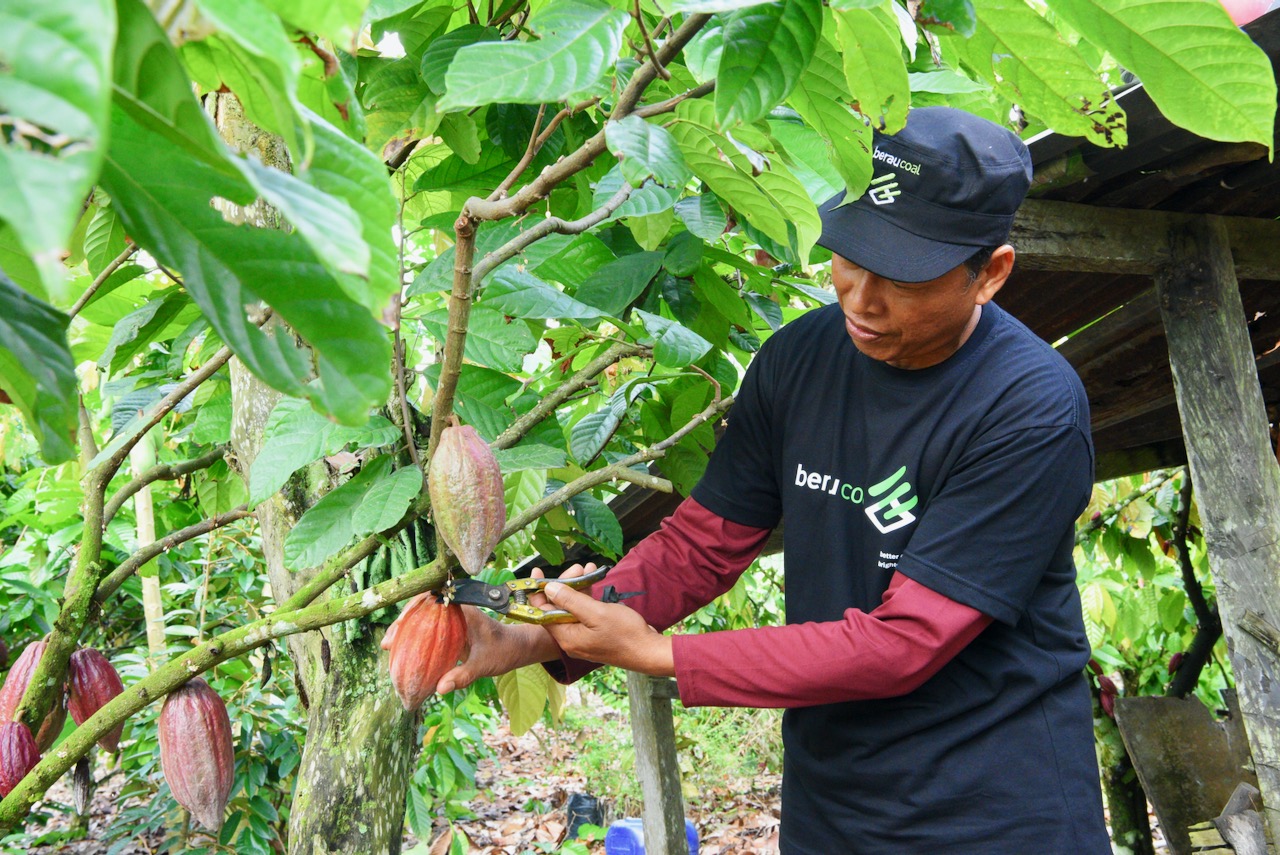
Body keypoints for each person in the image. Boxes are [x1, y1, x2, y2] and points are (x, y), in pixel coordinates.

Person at [437, 106, 1111, 853]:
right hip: (834, 808)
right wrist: (537, 631)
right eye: (852, 255)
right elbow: (701, 546)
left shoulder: (1031, 409)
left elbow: (903, 644)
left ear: (990, 274)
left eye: (902, 276)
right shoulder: (799, 361)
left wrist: (664, 655)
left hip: (995, 817)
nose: (860, 298)